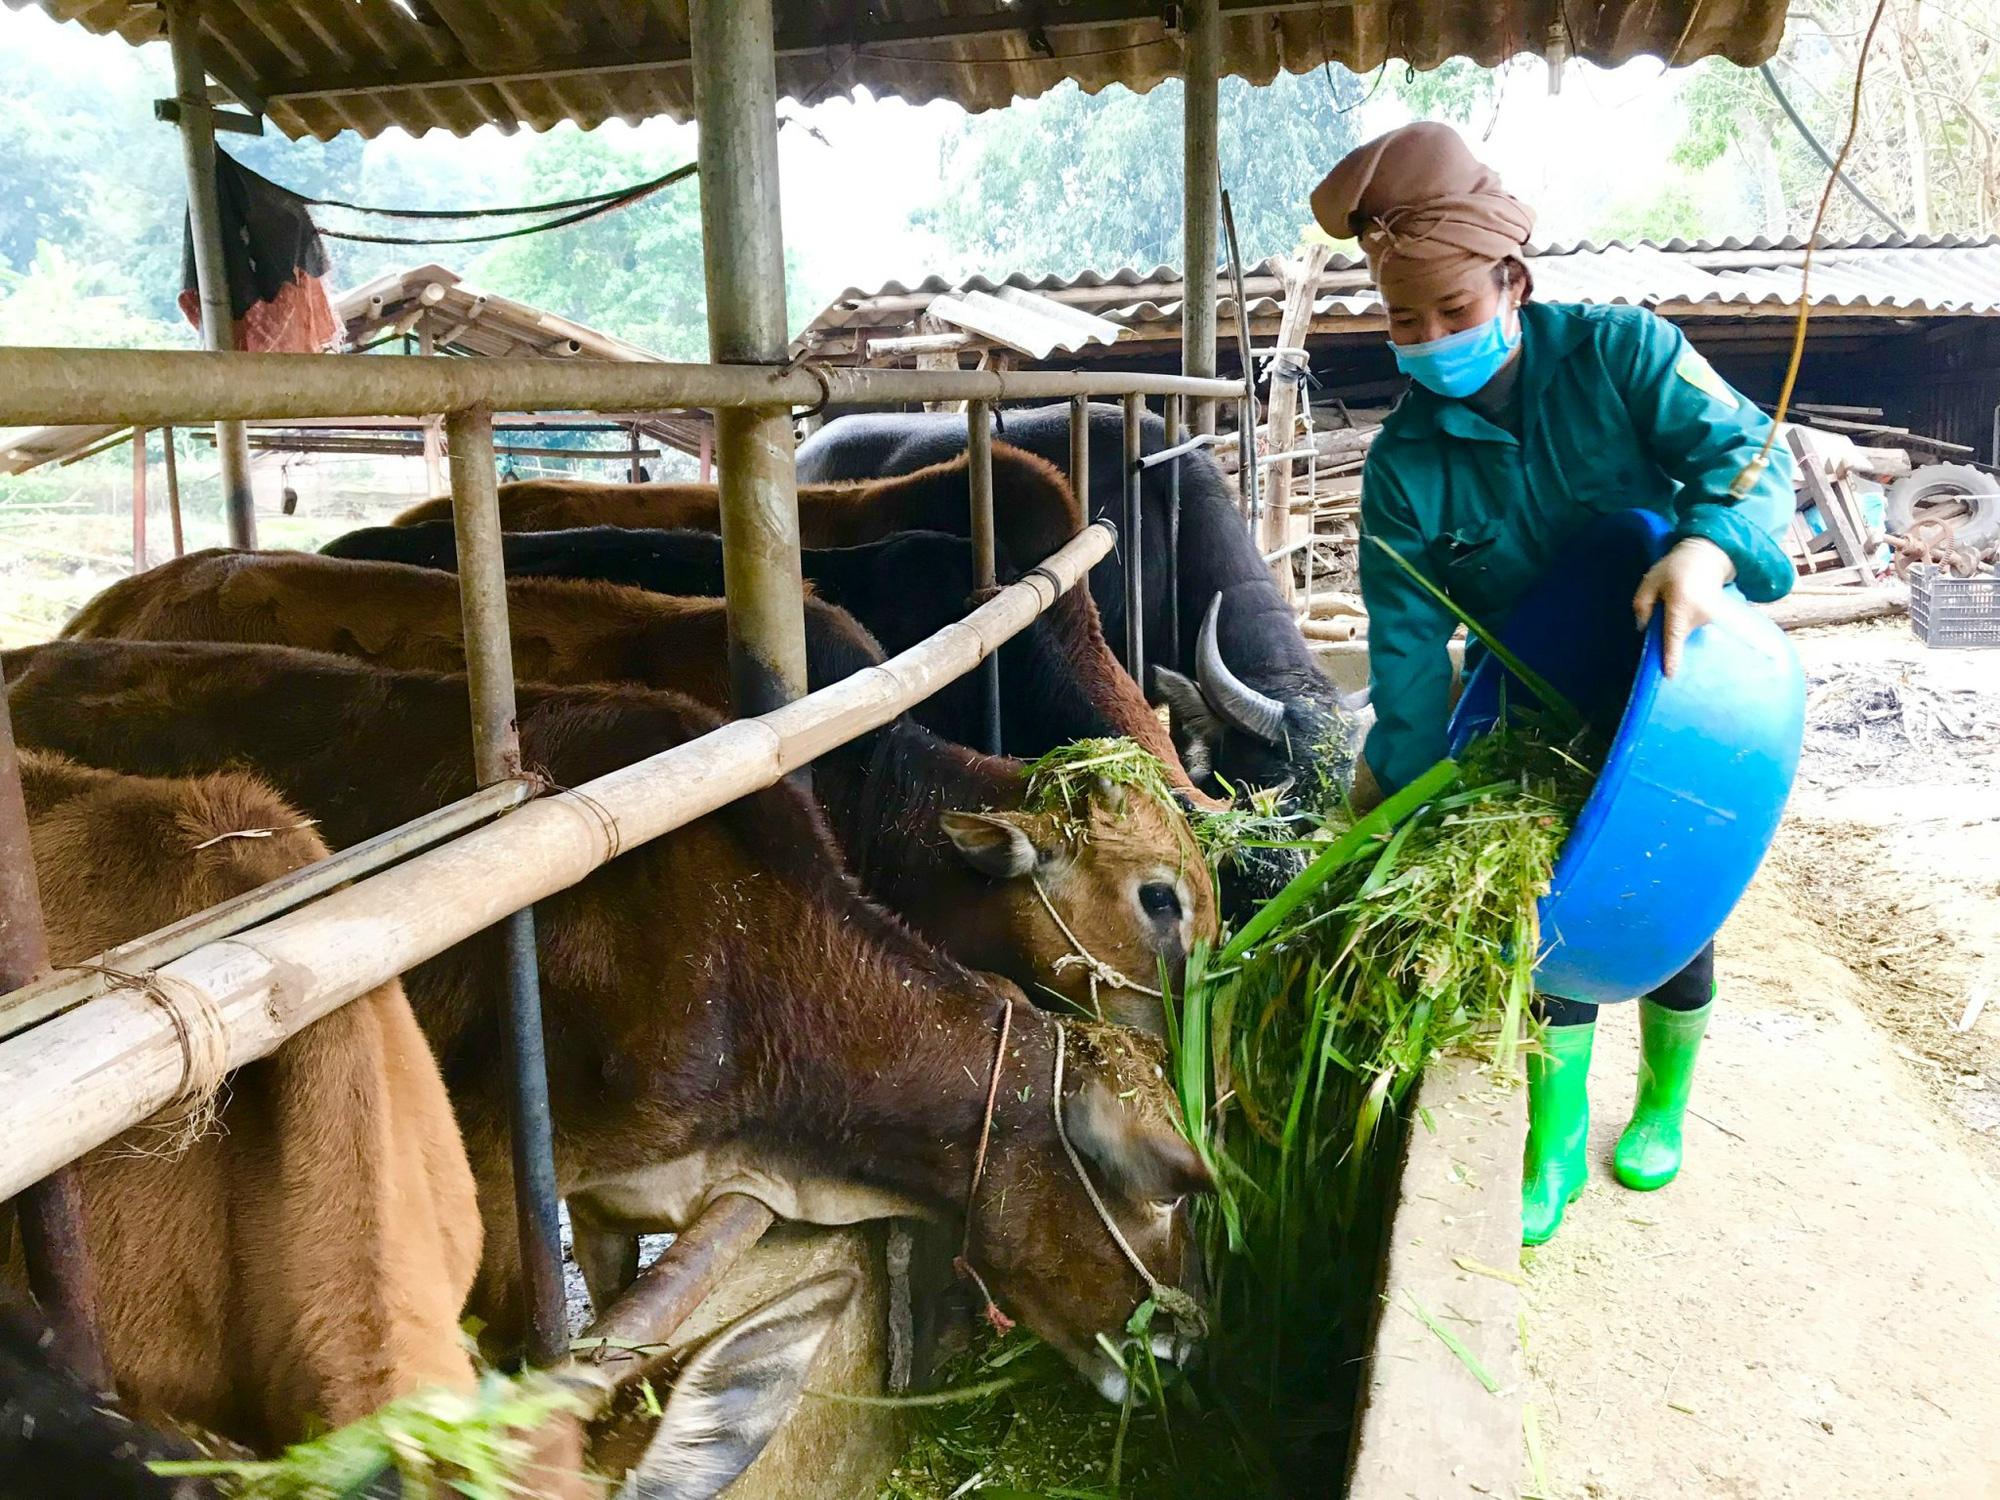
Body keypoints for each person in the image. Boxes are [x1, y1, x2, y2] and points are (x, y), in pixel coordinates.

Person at [1310, 123, 1797, 1246]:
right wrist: (1399, 781)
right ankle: (1555, 1132)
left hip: (1672, 683)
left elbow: (1746, 457)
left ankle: (1665, 1098)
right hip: (1528, 710)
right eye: (1401, 322)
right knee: (1550, 910)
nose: (1428, 341)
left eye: (1452, 314)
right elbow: (1403, 645)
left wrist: (1707, 547)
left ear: (1512, 283)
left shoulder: (1621, 355)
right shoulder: (1403, 471)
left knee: (1675, 902)